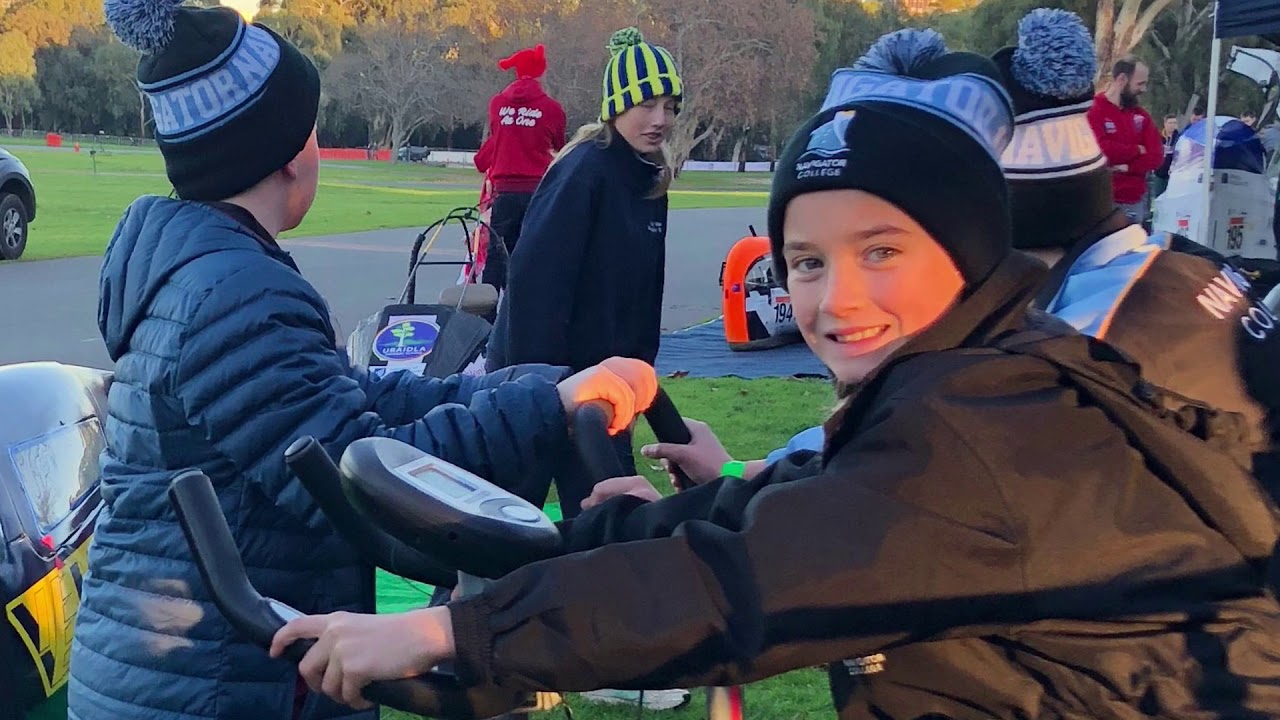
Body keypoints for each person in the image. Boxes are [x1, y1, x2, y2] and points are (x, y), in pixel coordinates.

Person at [271, 31, 1280, 720]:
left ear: (970, 244)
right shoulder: (978, 376)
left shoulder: (985, 424)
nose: (835, 299)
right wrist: (579, 539)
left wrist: (451, 630)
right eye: (805, 261)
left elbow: (731, 587)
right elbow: (795, 514)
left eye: (881, 251)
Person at [68, 3, 657, 720]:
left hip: (197, 676)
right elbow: (359, 469)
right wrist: (549, 409)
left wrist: (504, 386)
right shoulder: (233, 295)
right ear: (290, 149)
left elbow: (338, 398)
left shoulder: (201, 270)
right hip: (215, 685)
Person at [645, 11, 1280, 502]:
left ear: (978, 236)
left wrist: (737, 482)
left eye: (891, 245)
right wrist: (738, 470)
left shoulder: (1083, 347)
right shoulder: (1164, 271)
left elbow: (903, 480)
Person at [485, 27, 682, 518]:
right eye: (647, 103)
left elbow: (645, 293)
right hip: (539, 384)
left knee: (607, 523)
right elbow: (534, 286)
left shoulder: (649, 180)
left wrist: (641, 376)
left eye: (671, 106)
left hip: (606, 390)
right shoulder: (583, 172)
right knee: (501, 523)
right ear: (617, 105)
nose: (661, 119)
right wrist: (543, 392)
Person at [473, 44, 566, 292]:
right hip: (538, 192)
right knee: (535, 253)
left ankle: (488, 316)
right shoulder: (552, 109)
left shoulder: (497, 104)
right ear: (541, 73)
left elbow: (497, 139)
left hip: (504, 192)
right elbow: (558, 144)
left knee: (497, 255)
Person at [1087, 55, 1163, 224]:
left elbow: (1156, 156)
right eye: (1140, 83)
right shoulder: (1095, 110)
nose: (1144, 89)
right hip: (1102, 203)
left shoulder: (1141, 116)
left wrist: (1127, 167)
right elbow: (1100, 150)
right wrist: (1136, 150)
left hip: (1134, 202)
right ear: (1122, 79)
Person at [1153, 112, 1180, 199]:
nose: (1172, 125)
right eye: (1170, 123)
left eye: (1174, 123)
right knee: (1158, 196)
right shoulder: (1158, 137)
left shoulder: (1179, 138)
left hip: (1174, 174)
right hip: (1160, 173)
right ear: (1165, 124)